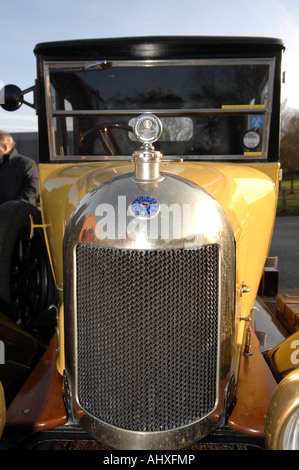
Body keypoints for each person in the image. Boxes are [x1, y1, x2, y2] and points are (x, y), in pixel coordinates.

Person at [0, 130, 39, 205]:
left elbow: (31, 192)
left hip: (16, 214)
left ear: (5, 147)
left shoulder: (27, 164)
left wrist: (13, 209)